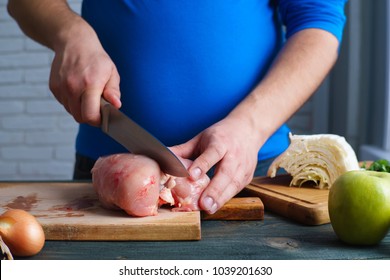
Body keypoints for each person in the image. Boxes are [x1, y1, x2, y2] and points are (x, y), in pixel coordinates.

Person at [7, 0, 347, 214]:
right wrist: (70, 33)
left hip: (257, 174)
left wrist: (251, 127)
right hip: (112, 177)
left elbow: (319, 18)